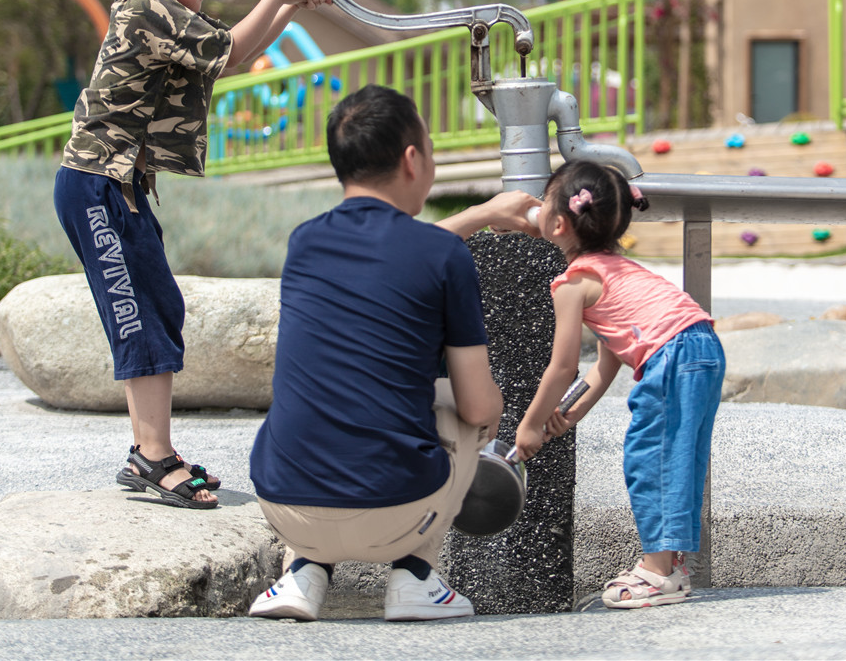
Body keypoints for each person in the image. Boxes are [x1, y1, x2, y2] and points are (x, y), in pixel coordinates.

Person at [54, 0, 328, 511]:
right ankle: (150, 459)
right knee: (137, 316)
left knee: (161, 306)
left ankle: (155, 451)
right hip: (95, 184)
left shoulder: (162, 13)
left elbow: (233, 53)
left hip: (117, 186)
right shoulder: (149, 10)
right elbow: (230, 50)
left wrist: (286, 7)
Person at [247, 84, 536, 622]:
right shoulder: (443, 256)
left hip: (285, 508)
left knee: (328, 394)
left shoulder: (304, 242)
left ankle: (302, 575)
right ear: (412, 159)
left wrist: (476, 216)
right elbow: (478, 409)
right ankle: (415, 579)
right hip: (398, 516)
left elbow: (392, 256)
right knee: (459, 401)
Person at [512, 159, 725, 609]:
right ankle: (672, 566)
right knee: (678, 457)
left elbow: (563, 366)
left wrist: (529, 426)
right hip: (701, 346)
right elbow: (604, 369)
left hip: (671, 355)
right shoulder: (617, 268)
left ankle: (656, 572)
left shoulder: (574, 282)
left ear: (556, 221)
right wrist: (565, 417)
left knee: (651, 458)